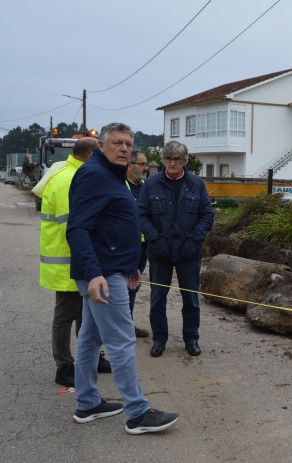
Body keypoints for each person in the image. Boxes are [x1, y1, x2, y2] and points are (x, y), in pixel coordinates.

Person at [67, 122, 178, 434]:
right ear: (101, 146)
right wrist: (93, 274)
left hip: (111, 269)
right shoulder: (95, 175)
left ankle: (87, 402)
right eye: (117, 143)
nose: (125, 149)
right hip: (101, 273)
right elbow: (77, 228)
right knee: (121, 340)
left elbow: (114, 227)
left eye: (128, 144)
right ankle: (138, 413)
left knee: (90, 337)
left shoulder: (113, 176)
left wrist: (131, 266)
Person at [39, 137, 111, 387]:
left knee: (86, 315)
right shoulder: (68, 179)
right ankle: (64, 366)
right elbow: (72, 228)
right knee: (66, 315)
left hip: (80, 261)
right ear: (91, 155)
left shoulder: (77, 175)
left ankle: (90, 358)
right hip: (68, 263)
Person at [138, 141, 214, 358]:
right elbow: (142, 214)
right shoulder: (151, 183)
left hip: (189, 253)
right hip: (160, 252)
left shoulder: (197, 184)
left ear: (185, 160)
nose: (173, 162)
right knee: (157, 298)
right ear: (163, 160)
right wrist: (155, 238)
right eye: (169, 158)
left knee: (190, 299)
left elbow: (207, 215)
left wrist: (194, 239)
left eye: (177, 158)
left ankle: (191, 338)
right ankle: (159, 339)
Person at [126, 150, 150, 338]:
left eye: (146, 164)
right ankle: (120, 326)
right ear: (129, 165)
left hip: (144, 245)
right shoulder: (119, 186)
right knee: (122, 286)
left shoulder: (146, 187)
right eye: (142, 164)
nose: (146, 168)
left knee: (134, 286)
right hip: (126, 246)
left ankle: (128, 323)